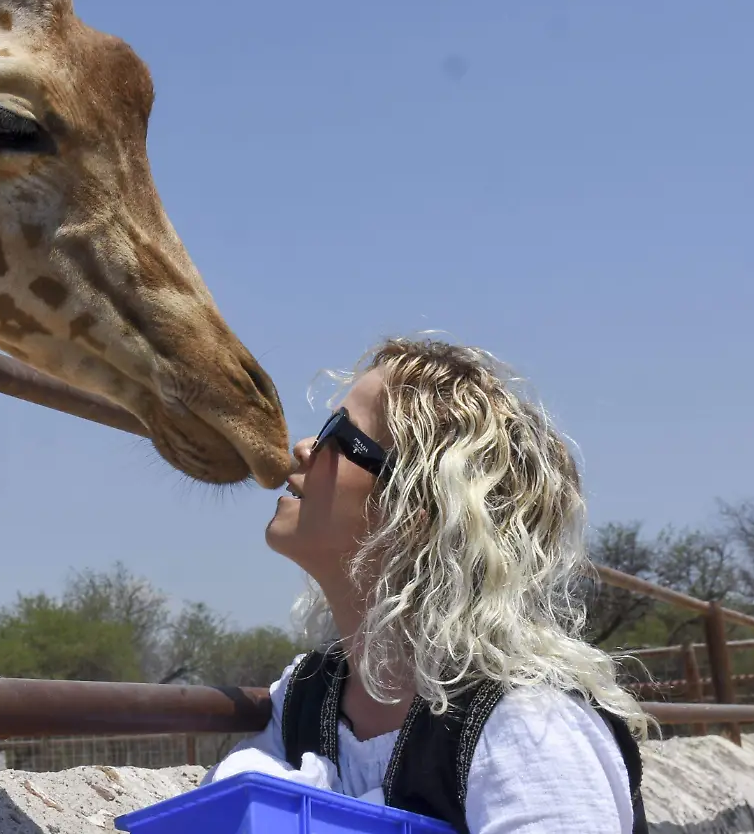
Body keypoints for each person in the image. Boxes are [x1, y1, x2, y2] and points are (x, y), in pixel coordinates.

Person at [206, 338, 648, 832]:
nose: (303, 448)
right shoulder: (305, 698)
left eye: (338, 433)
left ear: (412, 511)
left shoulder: (531, 730)